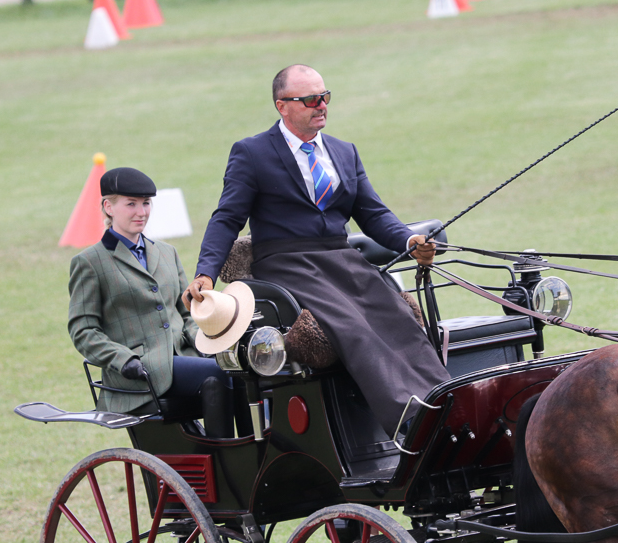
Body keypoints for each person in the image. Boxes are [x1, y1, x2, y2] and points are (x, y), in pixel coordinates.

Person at [184, 64, 450, 438]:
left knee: (398, 316)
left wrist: (409, 242)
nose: (321, 105)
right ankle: (408, 418)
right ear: (282, 106)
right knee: (353, 327)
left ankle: (443, 402)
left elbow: (373, 214)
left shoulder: (344, 152)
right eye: (310, 99)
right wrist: (205, 273)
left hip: (341, 259)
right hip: (287, 263)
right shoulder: (252, 153)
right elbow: (227, 218)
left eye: (324, 97)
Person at [68, 167, 237, 437]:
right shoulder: (90, 262)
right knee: (218, 373)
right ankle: (225, 454)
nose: (141, 212)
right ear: (108, 207)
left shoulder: (167, 253)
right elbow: (83, 330)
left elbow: (186, 314)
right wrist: (123, 359)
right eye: (131, 204)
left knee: (240, 370)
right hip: (139, 371)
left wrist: (203, 342)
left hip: (184, 357)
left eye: (146, 203)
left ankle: (248, 448)